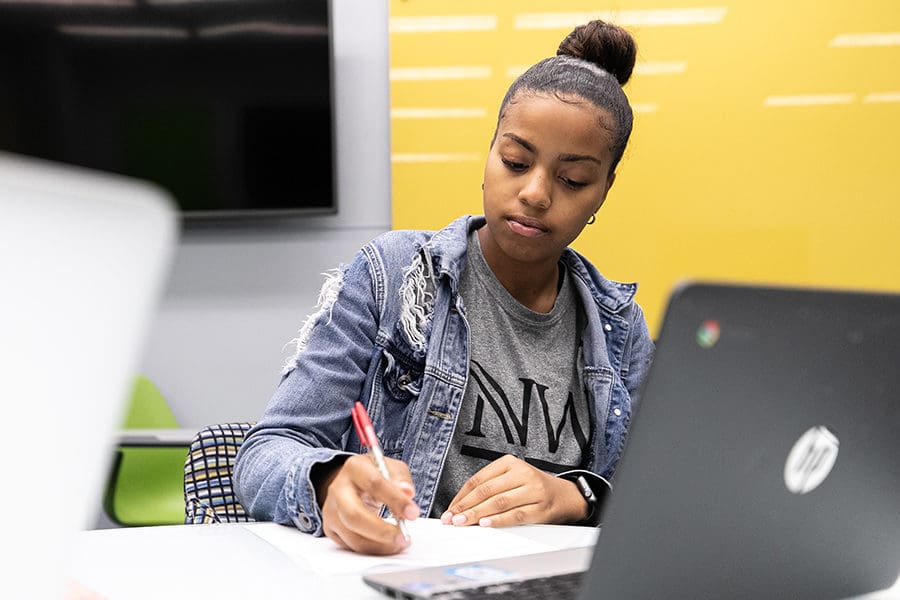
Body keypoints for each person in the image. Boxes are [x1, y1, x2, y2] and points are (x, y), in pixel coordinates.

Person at [233, 19, 654, 556]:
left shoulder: (619, 328)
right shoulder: (393, 276)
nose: (535, 193)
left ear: (604, 191)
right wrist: (326, 482)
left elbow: (661, 497)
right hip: (406, 573)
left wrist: (575, 495)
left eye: (573, 180)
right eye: (515, 161)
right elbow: (266, 451)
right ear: (488, 155)